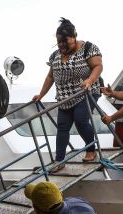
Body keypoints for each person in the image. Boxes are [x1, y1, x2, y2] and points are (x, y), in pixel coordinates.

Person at [32, 18, 103, 168]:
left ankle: (91, 150)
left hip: (86, 91)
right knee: (62, 126)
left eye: (66, 42)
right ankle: (59, 161)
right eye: (60, 42)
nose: (63, 46)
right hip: (65, 96)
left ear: (74, 36)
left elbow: (98, 66)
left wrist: (89, 81)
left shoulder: (88, 48)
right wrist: (41, 95)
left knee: (81, 119)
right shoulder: (55, 55)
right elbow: (51, 76)